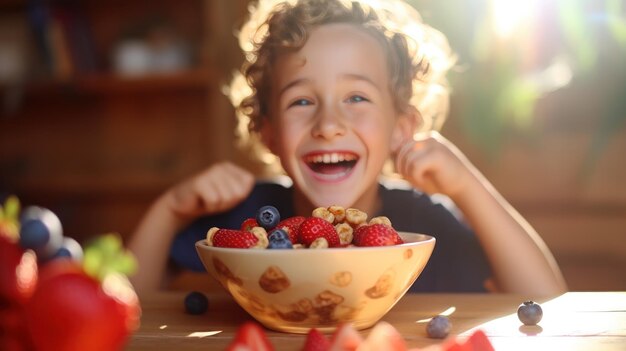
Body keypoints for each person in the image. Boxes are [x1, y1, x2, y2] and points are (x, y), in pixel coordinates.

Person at [128, 0, 567, 295]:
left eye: (356, 98)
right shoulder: (249, 222)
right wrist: (172, 208)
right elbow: (130, 299)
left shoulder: (422, 223)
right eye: (301, 101)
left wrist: (468, 186)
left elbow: (543, 299)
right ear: (269, 133)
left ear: (401, 128)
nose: (329, 125)